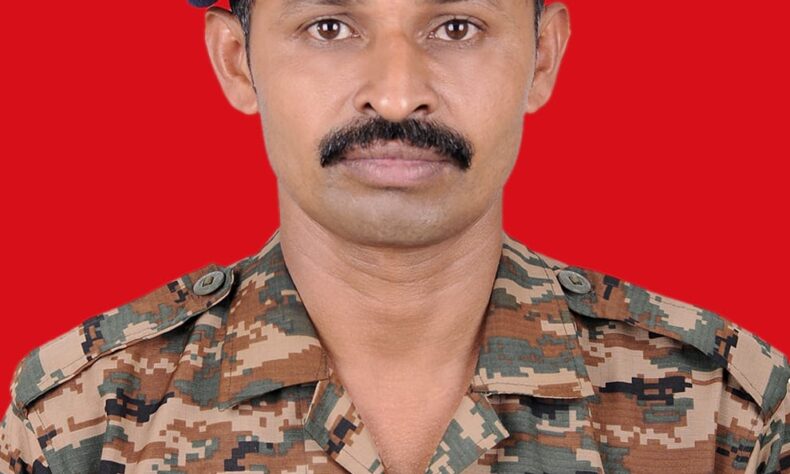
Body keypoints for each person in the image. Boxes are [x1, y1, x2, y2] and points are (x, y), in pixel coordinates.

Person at [1, 0, 787, 472]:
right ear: (237, 62)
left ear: (543, 55)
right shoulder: (86, 422)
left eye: (456, 26)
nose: (398, 93)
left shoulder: (724, 412)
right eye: (330, 26)